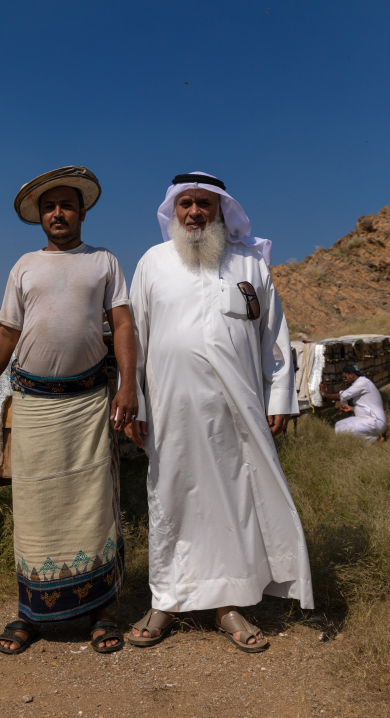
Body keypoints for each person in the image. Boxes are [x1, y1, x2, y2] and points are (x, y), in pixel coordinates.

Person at [125, 172, 313, 652]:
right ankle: (166, 599)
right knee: (171, 496)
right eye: (185, 203)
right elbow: (137, 342)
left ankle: (228, 605)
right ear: (174, 209)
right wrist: (137, 403)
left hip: (237, 409)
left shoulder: (250, 263)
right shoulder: (152, 263)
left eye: (204, 205)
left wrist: (278, 399)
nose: (194, 213)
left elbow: (275, 339)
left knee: (234, 501)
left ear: (221, 211)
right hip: (170, 407)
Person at [0, 166, 138, 655]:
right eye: (49, 207)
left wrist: (128, 385)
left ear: (82, 212)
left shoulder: (104, 261)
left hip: (88, 403)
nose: (57, 213)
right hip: (35, 404)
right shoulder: (24, 266)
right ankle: (31, 614)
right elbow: (6, 334)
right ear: (40, 217)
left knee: (92, 506)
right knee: (36, 509)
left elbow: (122, 325)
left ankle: (101, 612)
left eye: (66, 205)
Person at [320, 364, 386, 442]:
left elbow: (343, 395)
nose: (344, 380)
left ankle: (375, 440)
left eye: (345, 377)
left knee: (344, 430)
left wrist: (324, 394)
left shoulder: (362, 383)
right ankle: (374, 437)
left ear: (352, 375)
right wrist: (352, 409)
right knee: (338, 425)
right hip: (371, 421)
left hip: (376, 422)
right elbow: (366, 406)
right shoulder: (363, 382)